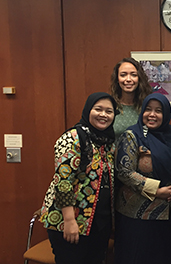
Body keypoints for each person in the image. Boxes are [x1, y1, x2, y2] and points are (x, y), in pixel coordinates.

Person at [40, 92, 118, 264]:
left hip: (99, 222)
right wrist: (69, 221)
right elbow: (63, 182)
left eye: (109, 111)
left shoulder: (108, 142)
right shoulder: (73, 137)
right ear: (88, 110)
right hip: (69, 222)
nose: (103, 115)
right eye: (98, 109)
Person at [114, 93, 171, 264]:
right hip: (138, 217)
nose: (152, 114)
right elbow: (124, 171)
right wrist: (156, 190)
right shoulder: (132, 136)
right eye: (148, 109)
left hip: (170, 214)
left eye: (158, 111)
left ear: (166, 114)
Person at [110, 57, 152, 140]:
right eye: (123, 75)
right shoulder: (110, 106)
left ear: (139, 78)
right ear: (117, 79)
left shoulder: (148, 107)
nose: (128, 79)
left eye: (133, 75)